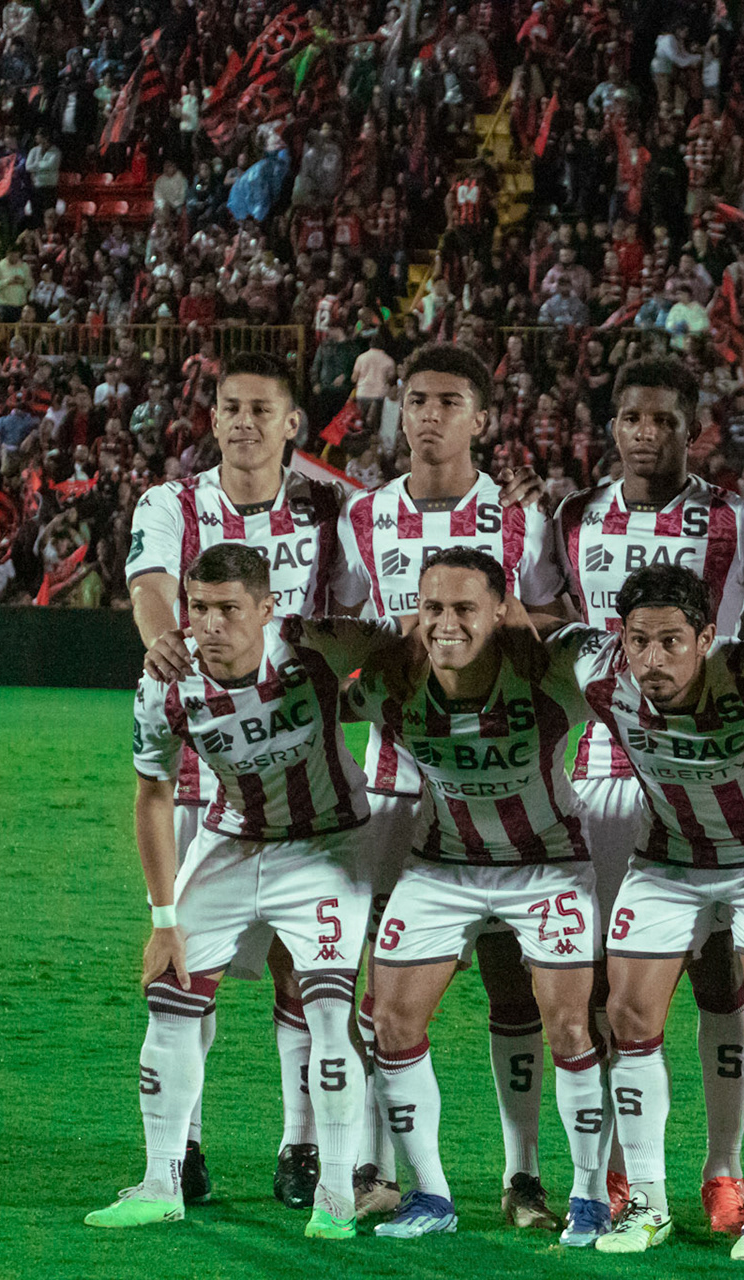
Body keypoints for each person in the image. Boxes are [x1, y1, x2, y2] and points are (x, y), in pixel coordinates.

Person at [86, 544, 399, 1238]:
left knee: (328, 1011)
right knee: (169, 996)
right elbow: (152, 796)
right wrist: (163, 918)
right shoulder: (165, 685)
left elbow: (396, 642)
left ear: (266, 609)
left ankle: (336, 1197)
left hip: (326, 846)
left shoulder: (312, 645)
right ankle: (160, 1182)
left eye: (229, 609)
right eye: (198, 608)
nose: (211, 625)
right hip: (231, 842)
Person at [331, 341, 569, 1230]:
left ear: (483, 418)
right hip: (394, 783)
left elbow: (550, 626)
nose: (427, 415)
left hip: (495, 776)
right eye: (415, 399)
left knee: (511, 974)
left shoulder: (522, 520)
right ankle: (377, 1168)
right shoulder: (363, 516)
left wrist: (491, 625)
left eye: (448, 401)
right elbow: (346, 627)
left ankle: (522, 1175)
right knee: (381, 985)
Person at [551, 356, 744, 1239]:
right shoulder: (574, 516)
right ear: (612, 425)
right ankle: (617, 1169)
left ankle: (724, 1169)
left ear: (694, 429)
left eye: (664, 419)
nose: (645, 433)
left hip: (710, 769)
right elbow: (554, 629)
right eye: (631, 418)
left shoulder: (734, 519)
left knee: (724, 979)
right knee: (612, 987)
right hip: (604, 771)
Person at [538, 563, 744, 1255]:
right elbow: (521, 640)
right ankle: (648, 1202)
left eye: (671, 642)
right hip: (669, 858)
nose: (653, 660)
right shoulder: (596, 669)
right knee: (629, 1017)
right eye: (639, 641)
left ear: (706, 637)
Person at [128, 350, 348, 1213]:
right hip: (200, 767)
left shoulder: (330, 504)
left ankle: (301, 1145)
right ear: (213, 418)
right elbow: (151, 587)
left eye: (262, 409)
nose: (245, 422)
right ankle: (183, 1148)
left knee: (303, 969)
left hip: (299, 771)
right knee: (188, 963)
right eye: (231, 408)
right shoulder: (172, 503)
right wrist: (169, 646)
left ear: (292, 423)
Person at [351, 548, 613, 1245]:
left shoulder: (549, 676)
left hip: (547, 865)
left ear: (501, 610)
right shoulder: (392, 683)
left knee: (570, 1028)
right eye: (432, 607)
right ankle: (429, 1194)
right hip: (443, 865)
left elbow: (610, 652)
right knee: (391, 1023)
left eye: (465, 608)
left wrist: (540, 625)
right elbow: (312, 684)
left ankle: (587, 1196)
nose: (446, 623)